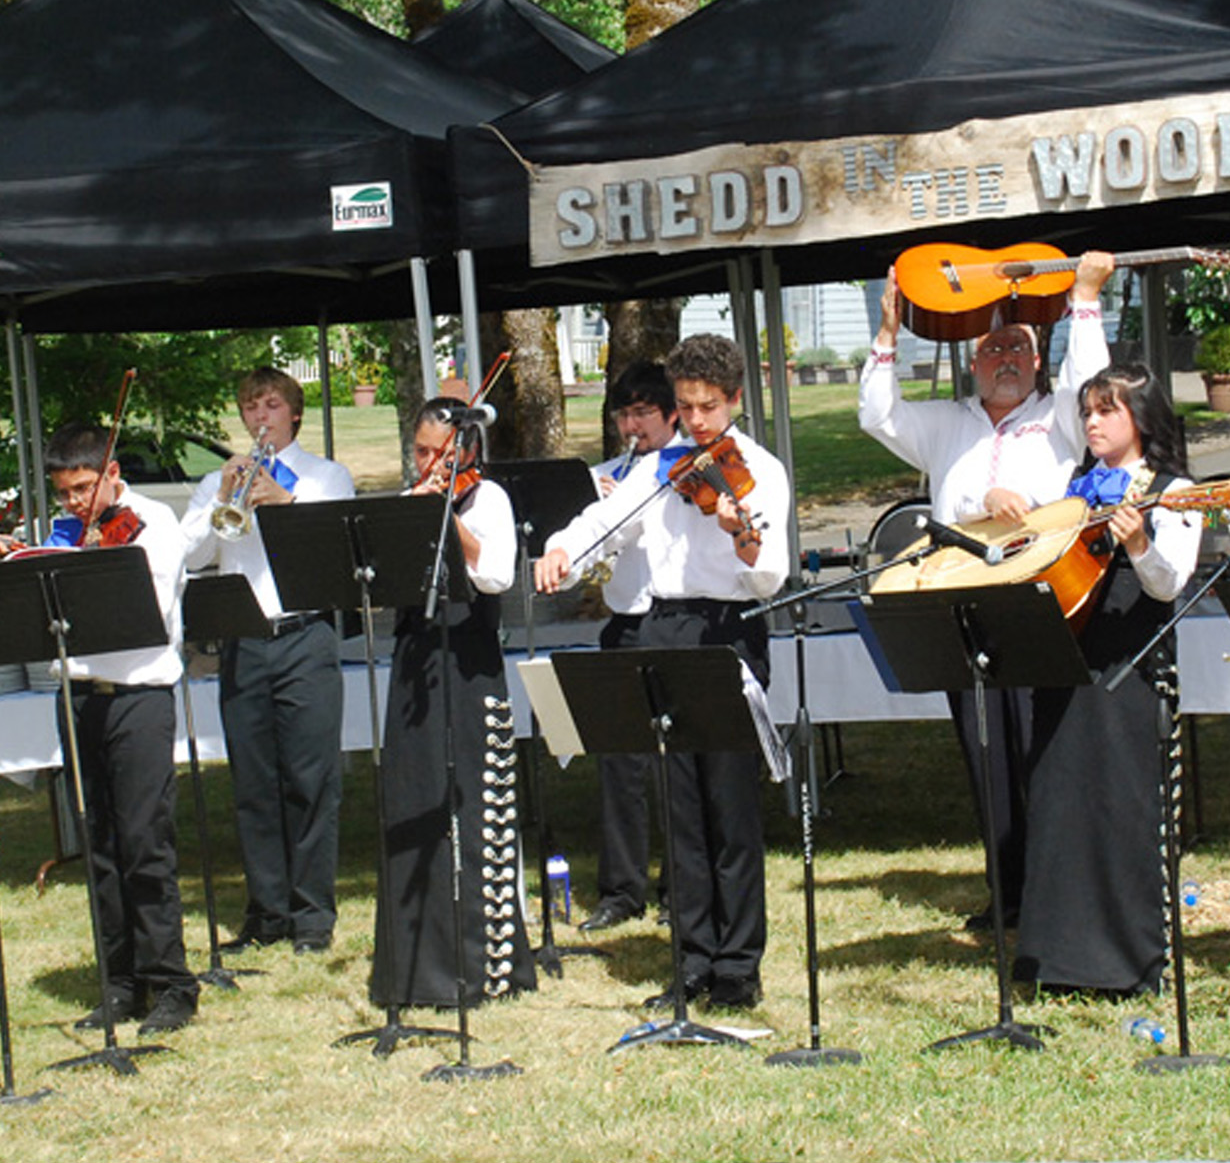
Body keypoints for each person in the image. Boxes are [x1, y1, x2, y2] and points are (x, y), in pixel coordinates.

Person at [535, 333, 790, 1010]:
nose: (698, 421)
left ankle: (738, 964)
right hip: (664, 627)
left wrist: (742, 534)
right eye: (687, 406)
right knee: (678, 805)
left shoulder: (757, 470)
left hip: (727, 631)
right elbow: (609, 518)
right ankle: (693, 957)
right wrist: (563, 547)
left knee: (728, 805)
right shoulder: (660, 468)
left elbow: (768, 575)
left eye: (709, 406)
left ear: (734, 400)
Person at [858, 252, 1114, 927]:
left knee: (1043, 747)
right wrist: (887, 334)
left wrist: (1084, 301)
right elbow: (876, 416)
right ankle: (1008, 893)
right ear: (973, 363)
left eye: (1018, 347)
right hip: (963, 600)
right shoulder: (946, 422)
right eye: (992, 348)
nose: (1005, 357)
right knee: (985, 751)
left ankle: (1054, 892)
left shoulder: (1061, 415)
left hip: (1040, 599)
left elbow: (1093, 385)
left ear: (1037, 360)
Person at [1013, 365, 1202, 994]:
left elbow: (1170, 583)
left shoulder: (1175, 490)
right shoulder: (1073, 484)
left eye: (1107, 411)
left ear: (1140, 418)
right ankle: (1056, 959)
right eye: (1088, 412)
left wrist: (1142, 542)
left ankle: (1128, 961)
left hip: (1132, 665)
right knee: (1058, 802)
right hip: (1067, 658)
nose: (1092, 422)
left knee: (1122, 806)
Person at [181, 367, 354, 955]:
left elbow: (333, 546)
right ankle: (268, 911)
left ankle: (312, 917)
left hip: (306, 635)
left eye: (272, 405)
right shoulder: (218, 479)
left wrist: (284, 501)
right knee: (254, 784)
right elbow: (189, 555)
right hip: (243, 639)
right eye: (251, 407)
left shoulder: (326, 476)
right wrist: (223, 500)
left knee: (311, 780)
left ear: (294, 414)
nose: (261, 417)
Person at [371, 396, 536, 1008]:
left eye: (440, 452)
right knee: (412, 803)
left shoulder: (486, 499)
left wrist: (448, 517)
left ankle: (481, 964)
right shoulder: (410, 497)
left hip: (468, 664)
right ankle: (414, 967)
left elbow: (496, 574)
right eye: (418, 450)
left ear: (468, 449)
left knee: (470, 808)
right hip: (416, 663)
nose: (428, 461)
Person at [43, 423, 199, 1034]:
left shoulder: (153, 523)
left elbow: (146, 610)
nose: (76, 504)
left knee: (144, 842)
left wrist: (90, 563)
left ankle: (170, 982)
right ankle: (120, 982)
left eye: (84, 489)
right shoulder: (62, 533)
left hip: (139, 697)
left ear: (111, 474)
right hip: (79, 694)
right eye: (65, 495)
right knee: (100, 842)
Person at [578, 361, 679, 933]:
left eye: (644, 412)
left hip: (668, 618)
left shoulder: (683, 468)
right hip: (622, 620)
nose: (632, 424)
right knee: (619, 761)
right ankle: (621, 890)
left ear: (669, 415)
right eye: (624, 414)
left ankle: (680, 887)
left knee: (675, 766)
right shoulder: (606, 474)